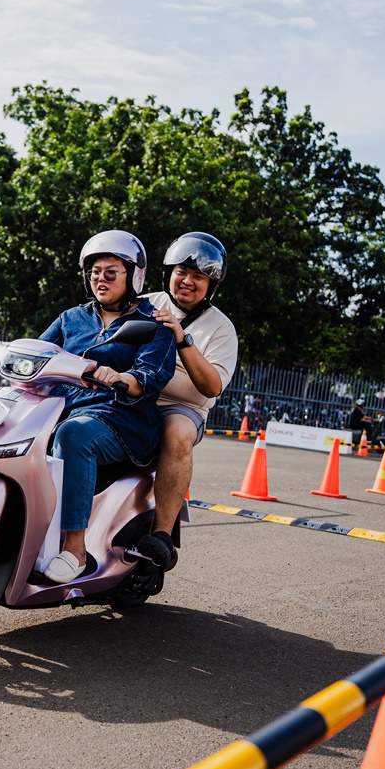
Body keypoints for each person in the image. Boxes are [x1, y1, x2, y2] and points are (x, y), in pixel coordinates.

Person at [0, 230, 175, 585]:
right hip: (68, 407)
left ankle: (76, 549)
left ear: (134, 275)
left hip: (121, 418)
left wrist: (120, 377)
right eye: (95, 272)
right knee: (0, 419)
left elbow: (148, 377)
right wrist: (0, 348)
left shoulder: (153, 324)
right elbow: (37, 352)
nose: (101, 279)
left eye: (111, 272)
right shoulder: (72, 318)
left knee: (73, 435)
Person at [142, 232, 238, 570]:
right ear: (168, 272)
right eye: (181, 272)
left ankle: (162, 535)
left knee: (178, 433)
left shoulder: (221, 329)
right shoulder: (144, 303)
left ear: (210, 285)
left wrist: (183, 340)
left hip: (181, 409)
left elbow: (212, 387)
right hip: (134, 394)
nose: (187, 281)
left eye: (198, 276)